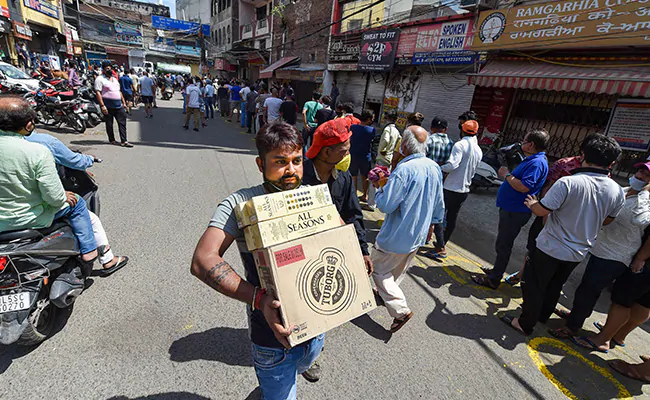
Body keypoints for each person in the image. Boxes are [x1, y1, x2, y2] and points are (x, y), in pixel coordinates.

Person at [191, 122, 324, 400]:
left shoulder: (312, 197)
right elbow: (203, 260)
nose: (291, 170)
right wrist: (259, 299)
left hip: (316, 326)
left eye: (297, 161)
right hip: (272, 338)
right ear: (259, 163)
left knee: (303, 364)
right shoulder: (241, 203)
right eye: (280, 162)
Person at [501, 134, 625, 336]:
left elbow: (542, 210)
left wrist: (533, 204)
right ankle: (542, 315)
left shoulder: (568, 183)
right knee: (555, 284)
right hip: (579, 250)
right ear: (611, 163)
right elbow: (608, 220)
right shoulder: (617, 190)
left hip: (551, 245)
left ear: (583, 155)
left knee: (534, 285)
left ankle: (525, 322)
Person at [301, 117, 373, 383]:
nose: (348, 152)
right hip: (300, 255)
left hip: (329, 259)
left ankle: (311, 352)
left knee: (323, 305)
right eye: (344, 148)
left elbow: (354, 216)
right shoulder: (298, 177)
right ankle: (296, 349)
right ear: (327, 151)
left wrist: (363, 251)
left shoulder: (342, 179)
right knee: (299, 307)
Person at [549, 163, 650, 338]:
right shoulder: (624, 190)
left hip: (617, 254)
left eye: (647, 176)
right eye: (640, 171)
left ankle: (572, 327)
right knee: (585, 286)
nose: (640, 176)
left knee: (589, 289)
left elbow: (639, 220)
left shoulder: (645, 204)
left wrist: (646, 194)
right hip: (598, 246)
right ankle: (576, 315)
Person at [0, 97, 97, 265]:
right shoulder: (39, 151)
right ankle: (90, 251)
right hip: (28, 219)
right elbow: (54, 198)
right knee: (78, 203)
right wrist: (63, 195)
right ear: (28, 125)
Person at [371, 125, 445, 333]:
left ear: (403, 145)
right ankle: (386, 293)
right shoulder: (433, 167)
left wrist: (379, 187)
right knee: (398, 267)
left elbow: (386, 205)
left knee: (376, 268)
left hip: (398, 232)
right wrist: (433, 223)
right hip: (419, 231)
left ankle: (400, 310)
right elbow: (439, 202)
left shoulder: (404, 169)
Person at [25, 131, 129, 274]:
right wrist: (89, 160)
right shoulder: (42, 145)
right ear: (28, 123)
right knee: (85, 212)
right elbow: (72, 163)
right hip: (33, 212)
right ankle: (101, 256)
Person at [472, 129, 550, 287]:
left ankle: (494, 278)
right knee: (502, 242)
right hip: (511, 208)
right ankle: (496, 269)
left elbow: (524, 187)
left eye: (525, 140)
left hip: (516, 211)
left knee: (504, 244)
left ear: (531, 144)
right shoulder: (531, 159)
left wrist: (507, 175)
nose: (522, 143)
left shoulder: (536, 163)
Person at [432, 120, 482, 250]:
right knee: (452, 218)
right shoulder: (478, 149)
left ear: (462, 130)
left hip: (451, 188)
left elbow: (452, 165)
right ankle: (442, 243)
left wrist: (437, 167)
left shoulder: (460, 145)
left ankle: (440, 246)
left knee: (438, 215)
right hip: (464, 189)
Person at [95, 61, 132, 148]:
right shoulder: (100, 79)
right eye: (107, 68)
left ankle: (124, 141)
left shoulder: (115, 79)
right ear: (103, 69)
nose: (110, 70)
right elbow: (98, 92)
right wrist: (102, 105)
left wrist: (123, 102)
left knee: (122, 123)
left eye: (110, 68)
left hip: (118, 105)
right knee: (109, 124)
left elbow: (119, 91)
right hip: (108, 106)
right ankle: (112, 140)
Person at [349, 109, 376, 203]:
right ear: (368, 119)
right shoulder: (371, 130)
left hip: (353, 154)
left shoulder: (353, 127)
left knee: (353, 175)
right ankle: (365, 195)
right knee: (365, 176)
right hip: (365, 155)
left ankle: (353, 195)